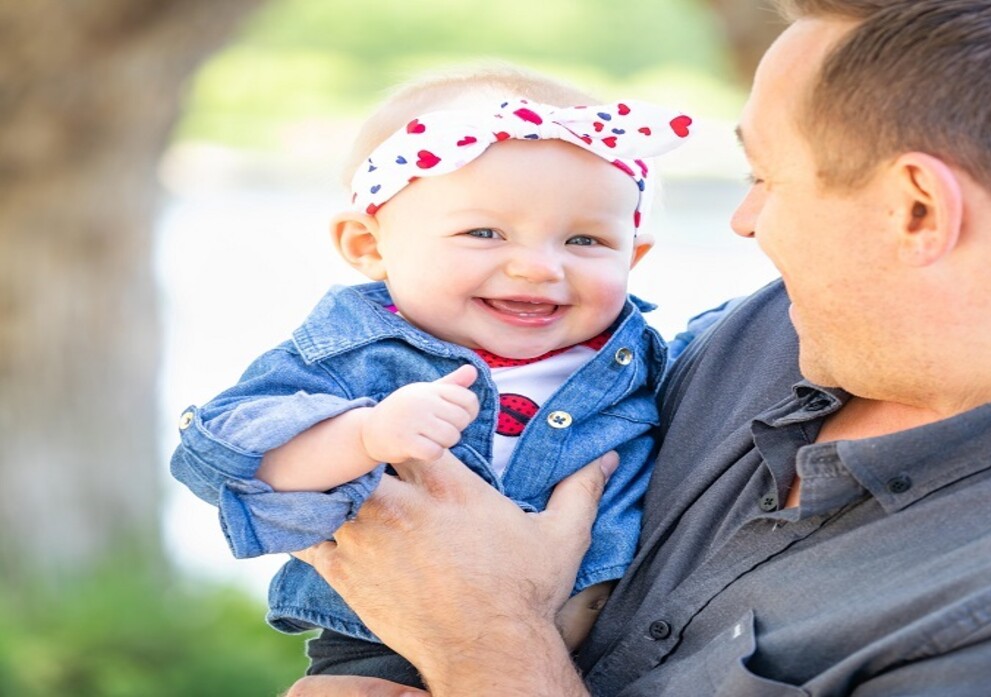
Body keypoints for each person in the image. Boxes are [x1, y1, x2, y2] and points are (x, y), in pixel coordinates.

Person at [286, 1, 991, 695]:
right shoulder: (796, 326)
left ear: (917, 210)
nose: (745, 222)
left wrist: (485, 639)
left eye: (763, 175)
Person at [169, 64, 694, 686]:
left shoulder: (641, 356)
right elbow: (231, 456)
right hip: (385, 645)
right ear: (369, 246)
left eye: (584, 241)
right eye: (483, 232)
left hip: (616, 651)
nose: (537, 268)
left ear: (634, 257)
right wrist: (361, 437)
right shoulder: (356, 352)